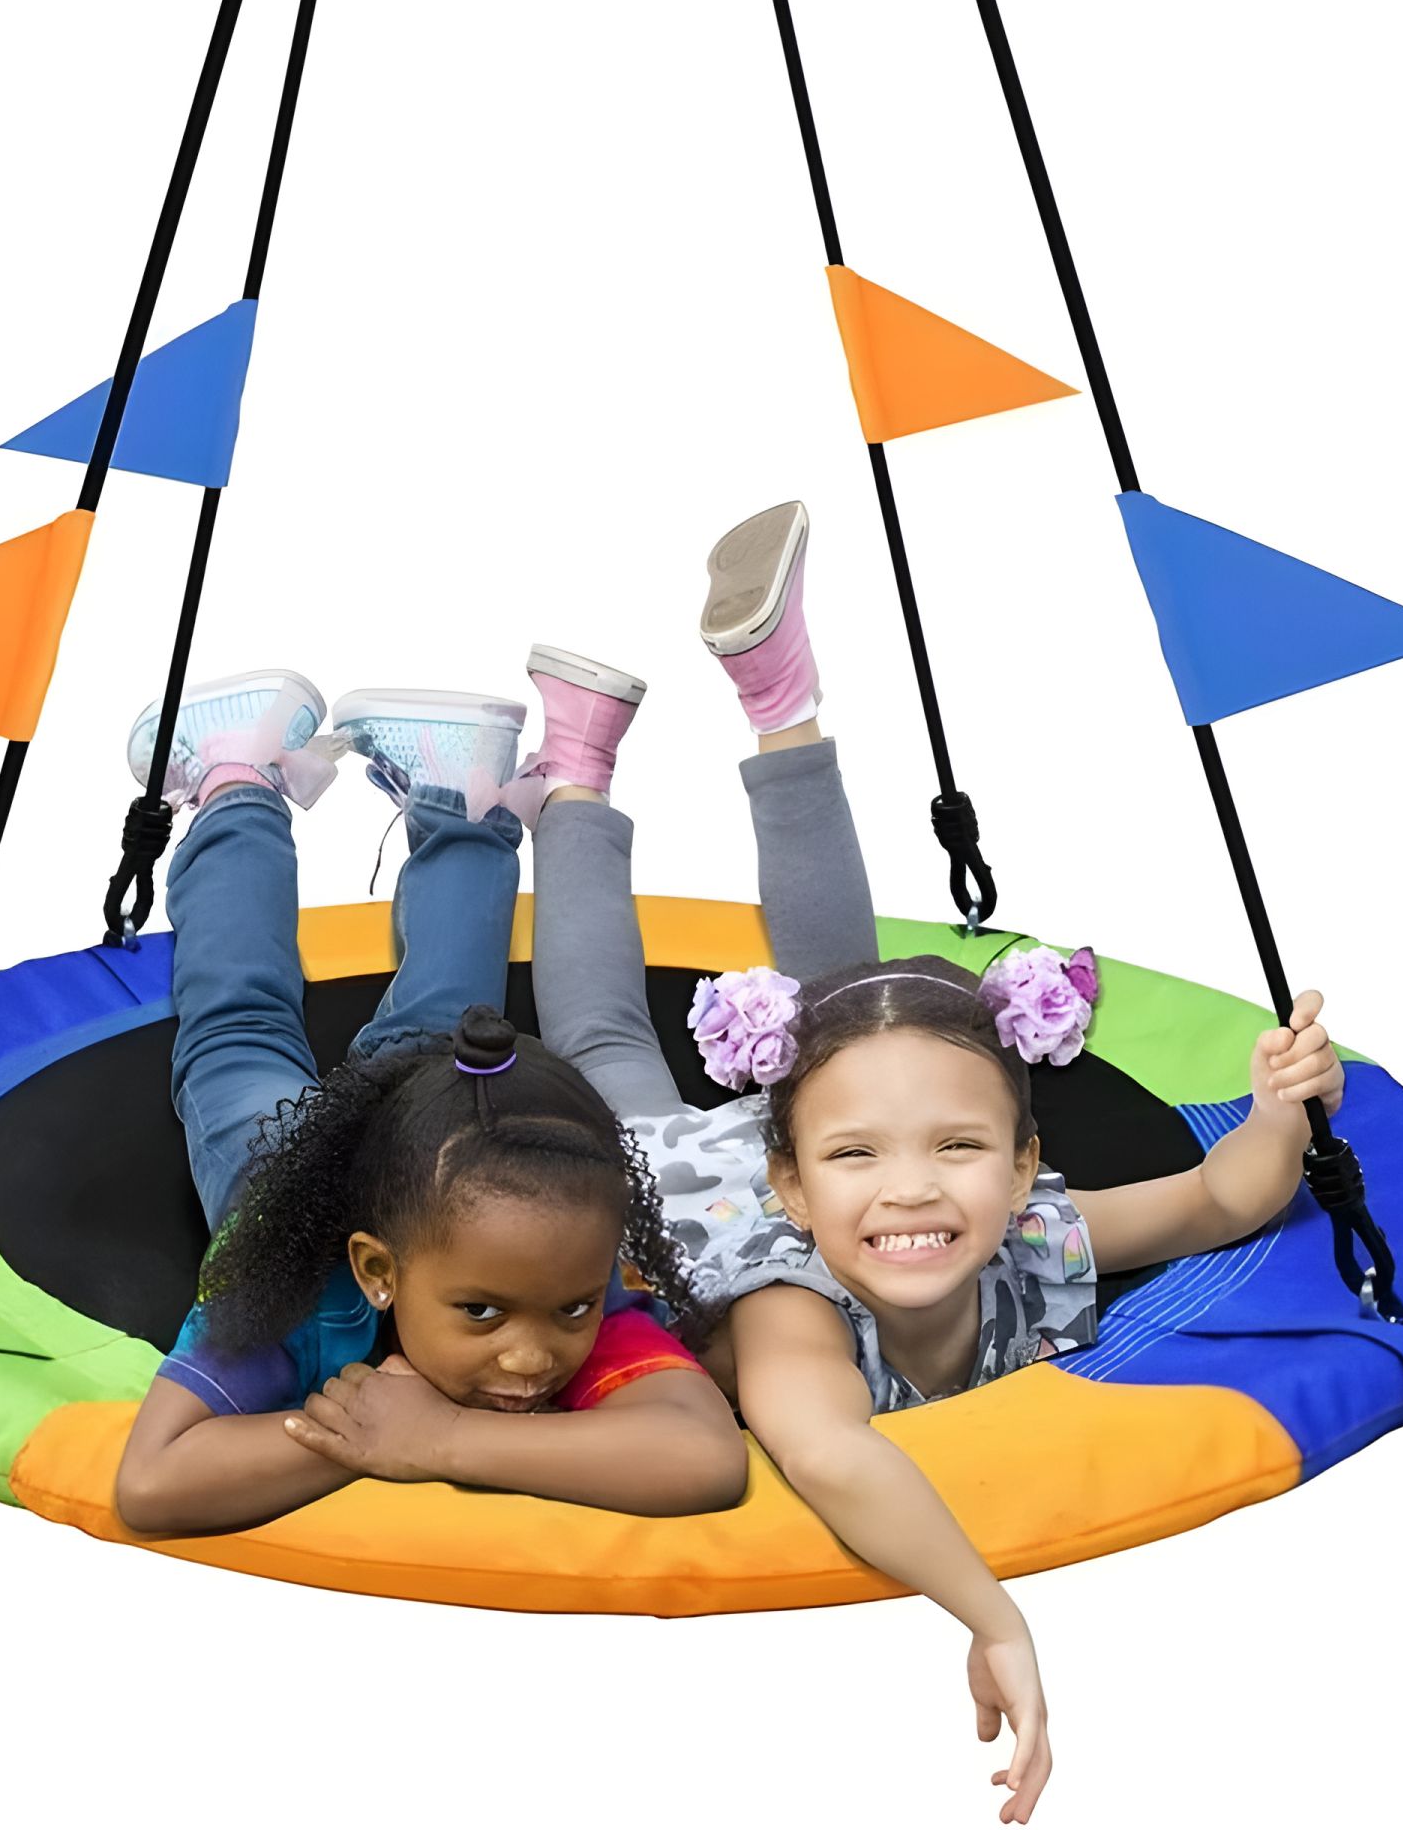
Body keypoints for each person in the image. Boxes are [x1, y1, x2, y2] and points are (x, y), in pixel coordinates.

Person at [518, 501, 1346, 1825]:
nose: (915, 1191)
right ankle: (582, 770)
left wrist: (1284, 1109)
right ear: (796, 1186)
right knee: (608, 1040)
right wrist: (990, 1612)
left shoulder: (1029, 1236)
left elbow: (1220, 1198)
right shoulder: (793, 1314)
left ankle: (762, 699)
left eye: (961, 1150)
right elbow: (833, 1454)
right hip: (670, 1183)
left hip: (799, 1160)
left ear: (1025, 1170)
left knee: (859, 1018)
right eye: (867, 1158)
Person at [110, 672, 748, 1535]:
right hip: (277, 1172)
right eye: (480, 1313)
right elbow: (153, 1484)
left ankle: (460, 783)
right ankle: (238, 778)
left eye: (572, 1310)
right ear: (378, 1272)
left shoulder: (558, 1264)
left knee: (443, 1027)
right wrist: (374, 1432)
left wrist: (443, 1438)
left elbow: (705, 1456)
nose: (530, 1357)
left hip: (417, 1120)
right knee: (240, 1028)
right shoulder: (293, 1293)